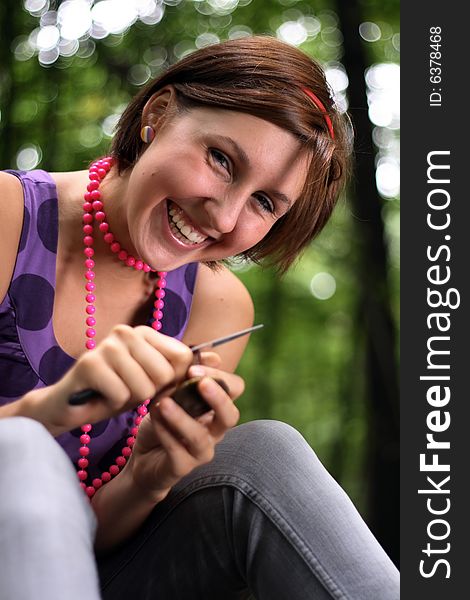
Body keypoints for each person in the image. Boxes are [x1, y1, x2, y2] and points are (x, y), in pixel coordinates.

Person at [0, 35, 399, 599]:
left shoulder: (217, 304)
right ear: (158, 117)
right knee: (21, 448)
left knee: (265, 452)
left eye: (265, 203)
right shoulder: (8, 218)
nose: (226, 215)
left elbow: (98, 538)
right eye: (221, 160)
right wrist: (46, 413)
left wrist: (147, 476)